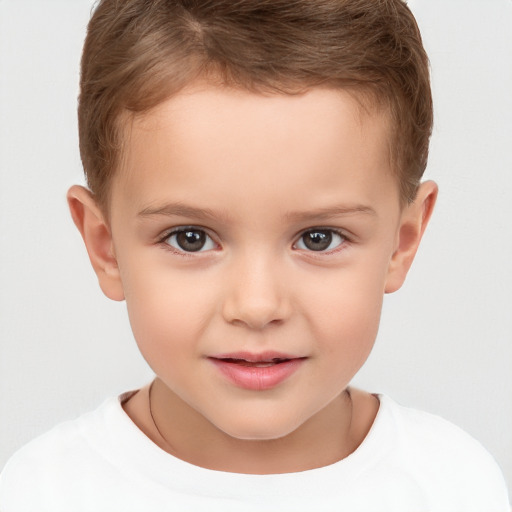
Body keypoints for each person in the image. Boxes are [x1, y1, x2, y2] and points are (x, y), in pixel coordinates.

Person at [0, 0, 509, 510]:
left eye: (318, 238)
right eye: (190, 238)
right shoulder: (40, 494)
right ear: (104, 246)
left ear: (403, 240)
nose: (258, 305)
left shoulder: (454, 486)